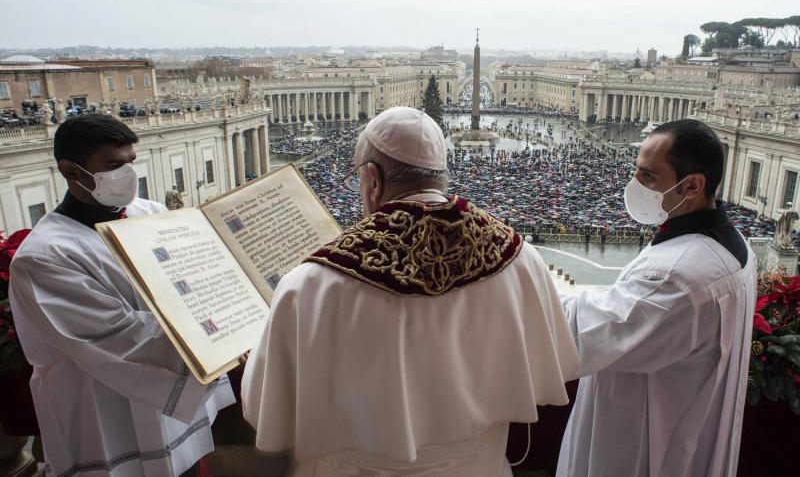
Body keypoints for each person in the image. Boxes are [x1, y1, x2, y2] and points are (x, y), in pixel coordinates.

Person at [242, 106, 578, 476]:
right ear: (441, 176)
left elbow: (262, 410)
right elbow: (554, 372)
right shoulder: (520, 258)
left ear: (372, 179)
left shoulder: (310, 285)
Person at [9, 113, 235, 477]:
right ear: (71, 171)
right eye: (114, 165)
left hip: (172, 404)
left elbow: (192, 283)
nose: (127, 174)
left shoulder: (152, 215)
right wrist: (221, 333)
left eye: (130, 162)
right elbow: (115, 335)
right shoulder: (44, 256)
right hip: (102, 408)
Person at [557, 119, 756, 477]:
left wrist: (518, 278)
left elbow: (581, 334)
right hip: (686, 426)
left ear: (692, 185)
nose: (634, 185)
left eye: (648, 177)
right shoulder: (734, 245)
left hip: (644, 446)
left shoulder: (676, 277)